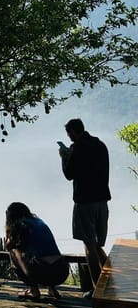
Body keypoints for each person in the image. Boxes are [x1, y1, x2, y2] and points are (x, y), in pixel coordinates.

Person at [59, 118, 110, 296]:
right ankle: (111, 281)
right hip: (102, 201)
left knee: (89, 246)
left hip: (85, 202)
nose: (69, 137)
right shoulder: (100, 145)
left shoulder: (77, 149)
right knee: (97, 244)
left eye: (69, 134)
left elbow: (69, 175)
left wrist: (65, 158)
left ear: (73, 132)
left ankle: (98, 291)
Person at [5, 202, 69, 301]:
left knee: (14, 251)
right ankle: (52, 289)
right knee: (42, 252)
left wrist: (7, 228)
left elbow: (8, 246)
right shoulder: (39, 221)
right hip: (61, 271)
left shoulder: (18, 224)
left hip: (41, 271)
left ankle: (34, 291)